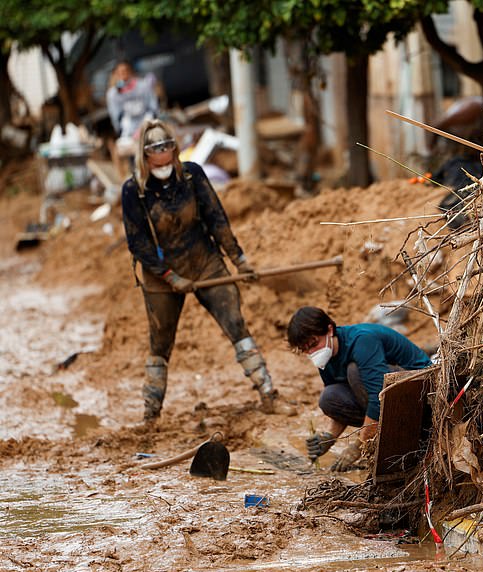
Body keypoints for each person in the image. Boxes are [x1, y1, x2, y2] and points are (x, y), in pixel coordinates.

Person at [121, 119, 294, 422]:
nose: (162, 154)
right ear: (145, 154)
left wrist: (239, 259)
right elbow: (138, 243)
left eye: (166, 147)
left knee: (235, 322)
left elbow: (216, 218)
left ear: (174, 149)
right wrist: (170, 276)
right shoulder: (134, 191)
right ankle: (151, 414)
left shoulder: (191, 175)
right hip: (161, 273)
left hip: (204, 262)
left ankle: (268, 393)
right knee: (160, 342)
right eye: (155, 149)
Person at [286, 306, 433, 470]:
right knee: (330, 397)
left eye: (314, 344)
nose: (312, 352)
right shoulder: (325, 360)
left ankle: (404, 435)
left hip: (422, 392)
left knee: (354, 372)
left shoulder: (362, 340)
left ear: (329, 329)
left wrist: (359, 445)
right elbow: (342, 399)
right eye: (306, 349)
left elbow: (379, 395)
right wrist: (330, 437)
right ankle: (384, 434)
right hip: (389, 398)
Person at [107, 60, 159, 174]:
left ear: (130, 71)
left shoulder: (143, 86)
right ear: (115, 75)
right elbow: (117, 117)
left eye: (125, 71)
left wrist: (145, 126)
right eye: (119, 72)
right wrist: (128, 132)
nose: (123, 75)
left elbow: (153, 107)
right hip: (129, 131)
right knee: (135, 162)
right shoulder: (113, 94)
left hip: (147, 125)